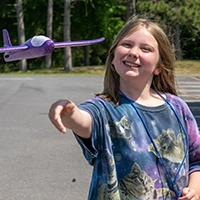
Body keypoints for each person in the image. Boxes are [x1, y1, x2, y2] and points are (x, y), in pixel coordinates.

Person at [48, 16, 200, 200]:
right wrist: (69, 112)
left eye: (145, 49)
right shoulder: (103, 109)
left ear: (159, 66)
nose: (134, 52)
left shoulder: (177, 108)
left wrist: (195, 190)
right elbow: (83, 121)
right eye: (127, 45)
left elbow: (196, 161)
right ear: (113, 57)